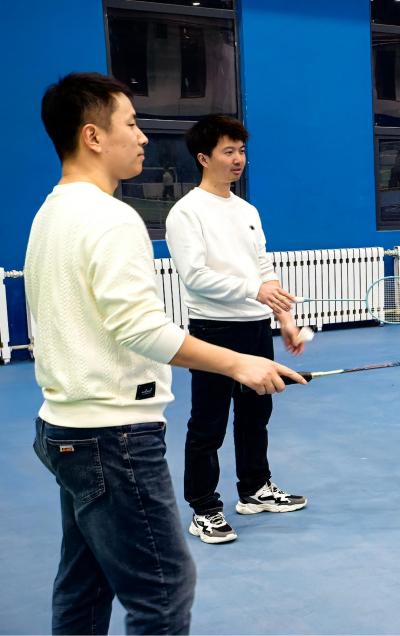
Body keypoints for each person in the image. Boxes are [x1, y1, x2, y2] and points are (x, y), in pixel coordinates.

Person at [25, 72, 303, 635]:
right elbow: (139, 328)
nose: (143, 137)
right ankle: (208, 503)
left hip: (67, 426)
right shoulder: (111, 217)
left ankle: (255, 487)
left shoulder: (50, 213)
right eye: (130, 123)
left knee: (84, 585)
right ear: (93, 136)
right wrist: (238, 363)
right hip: (113, 436)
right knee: (162, 593)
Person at [165, 115, 308, 545]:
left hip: (255, 327)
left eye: (241, 151)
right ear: (203, 157)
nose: (238, 159)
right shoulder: (186, 212)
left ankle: (255, 489)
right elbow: (195, 276)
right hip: (213, 330)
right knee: (208, 423)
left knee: (255, 415)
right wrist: (254, 290)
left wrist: (285, 320)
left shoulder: (247, 211)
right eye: (228, 151)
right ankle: (204, 507)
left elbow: (264, 267)